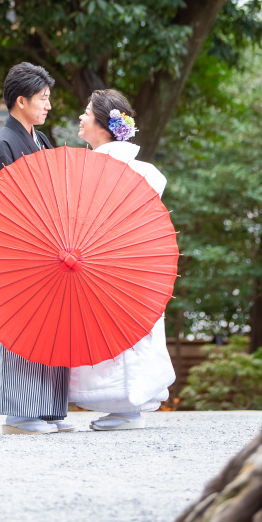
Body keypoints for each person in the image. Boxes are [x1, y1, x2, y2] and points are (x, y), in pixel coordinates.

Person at [69, 88, 176, 432]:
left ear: (103, 125)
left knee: (114, 336)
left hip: (108, 266)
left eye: (86, 112)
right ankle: (126, 407)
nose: (81, 118)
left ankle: (125, 408)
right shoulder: (141, 171)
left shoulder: (100, 168)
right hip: (136, 267)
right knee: (129, 334)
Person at [0, 62, 73, 435]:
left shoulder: (41, 139)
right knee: (23, 330)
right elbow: (4, 207)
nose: (48, 105)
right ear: (21, 101)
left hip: (47, 250)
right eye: (43, 98)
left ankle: (48, 410)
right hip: (18, 254)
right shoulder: (2, 144)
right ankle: (19, 415)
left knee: (50, 330)